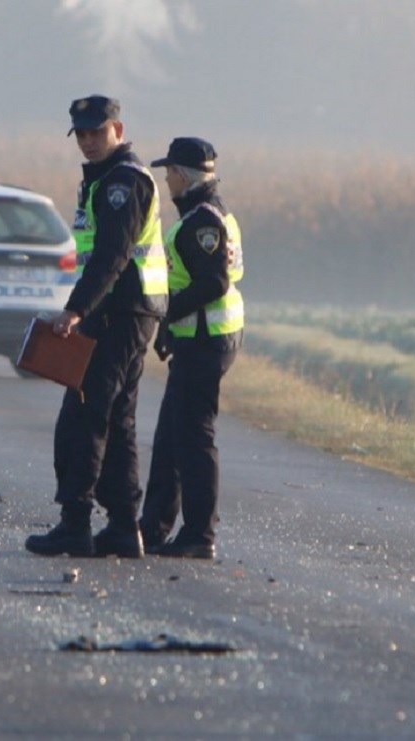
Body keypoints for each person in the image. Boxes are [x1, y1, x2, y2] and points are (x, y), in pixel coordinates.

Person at [24, 95, 168, 558]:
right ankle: (125, 527)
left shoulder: (121, 183)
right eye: (81, 134)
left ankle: (76, 522)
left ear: (118, 130)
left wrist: (76, 310)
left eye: (96, 132)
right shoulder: (106, 180)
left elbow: (111, 256)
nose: (87, 141)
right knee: (117, 421)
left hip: (117, 313)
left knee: (83, 418)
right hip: (125, 312)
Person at [138, 137, 244, 559]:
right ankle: (155, 527)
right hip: (197, 337)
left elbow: (213, 282)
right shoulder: (208, 213)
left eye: (169, 173)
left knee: (193, 438)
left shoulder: (203, 221)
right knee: (170, 437)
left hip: (207, 339)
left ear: (183, 175)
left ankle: (200, 535)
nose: (166, 180)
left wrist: (165, 313)